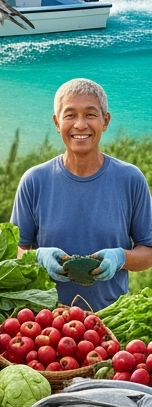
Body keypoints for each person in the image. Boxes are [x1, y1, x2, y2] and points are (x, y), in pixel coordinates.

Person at [14, 78, 152, 310]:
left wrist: (121, 258)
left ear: (105, 121)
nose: (80, 125)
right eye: (70, 115)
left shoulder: (130, 179)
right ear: (57, 122)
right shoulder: (34, 181)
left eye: (90, 114)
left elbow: (148, 253)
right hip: (46, 322)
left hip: (112, 317)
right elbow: (17, 252)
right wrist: (38, 257)